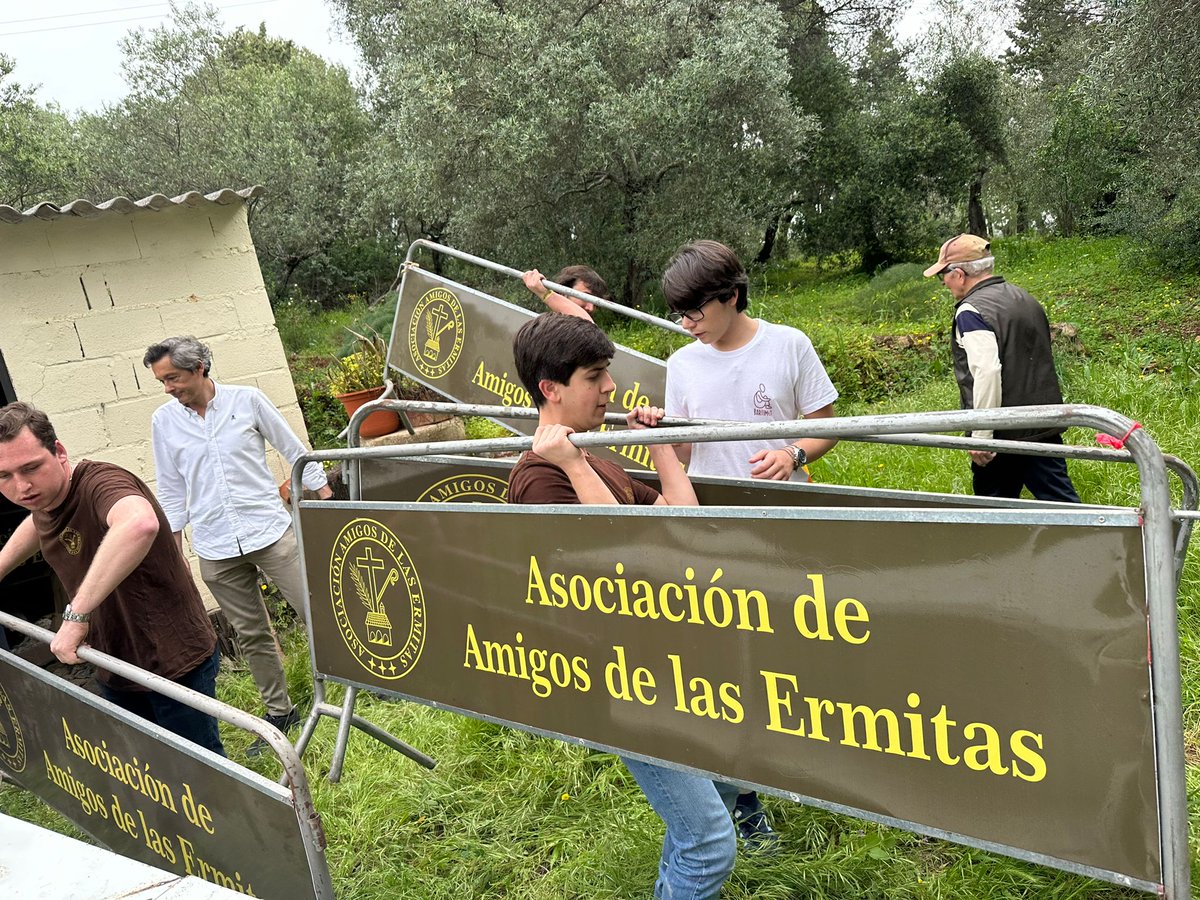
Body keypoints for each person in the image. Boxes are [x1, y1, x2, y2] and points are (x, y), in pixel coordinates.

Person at [508, 313, 738, 899]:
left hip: (666, 667)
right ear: (550, 389)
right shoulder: (541, 479)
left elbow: (678, 528)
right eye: (596, 376)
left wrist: (661, 449)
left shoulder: (594, 460)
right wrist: (573, 464)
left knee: (719, 795)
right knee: (709, 844)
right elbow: (618, 568)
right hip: (620, 684)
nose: (611, 388)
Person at [661, 239, 840, 846]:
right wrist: (661, 444)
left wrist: (792, 454)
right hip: (714, 530)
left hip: (784, 523)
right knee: (730, 664)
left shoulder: (788, 344)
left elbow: (826, 424)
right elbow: (681, 453)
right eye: (681, 316)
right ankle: (745, 797)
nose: (688, 325)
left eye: (696, 313)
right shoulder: (683, 363)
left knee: (790, 650)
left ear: (731, 296)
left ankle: (811, 758)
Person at [0, 403, 225, 756]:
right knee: (148, 774)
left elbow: (139, 523)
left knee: (197, 775)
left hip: (168, 662)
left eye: (31, 467)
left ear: (59, 452)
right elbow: (37, 522)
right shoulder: (45, 500)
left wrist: (75, 617)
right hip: (113, 662)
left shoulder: (101, 483)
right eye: (4, 476)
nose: (22, 486)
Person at [144, 336, 332, 756]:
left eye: (172, 378)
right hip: (215, 546)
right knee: (252, 635)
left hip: (270, 532)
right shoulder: (164, 422)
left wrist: (325, 500)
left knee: (316, 609)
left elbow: (294, 452)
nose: (168, 388)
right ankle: (281, 712)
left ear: (200, 368)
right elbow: (171, 489)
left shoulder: (247, 400)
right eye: (161, 381)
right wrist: (174, 552)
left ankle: (360, 687)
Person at [924, 234, 1080, 502]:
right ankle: (1092, 544)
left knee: (993, 518)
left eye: (944, 277)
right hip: (1043, 426)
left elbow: (986, 372)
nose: (944, 284)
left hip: (1002, 438)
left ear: (959, 274)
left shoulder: (970, 311)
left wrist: (982, 436)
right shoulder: (1024, 298)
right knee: (1065, 506)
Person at [521, 264, 605, 319]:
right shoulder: (543, 327)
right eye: (585, 297)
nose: (590, 308)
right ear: (563, 293)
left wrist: (544, 293)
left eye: (595, 303)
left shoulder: (592, 335)